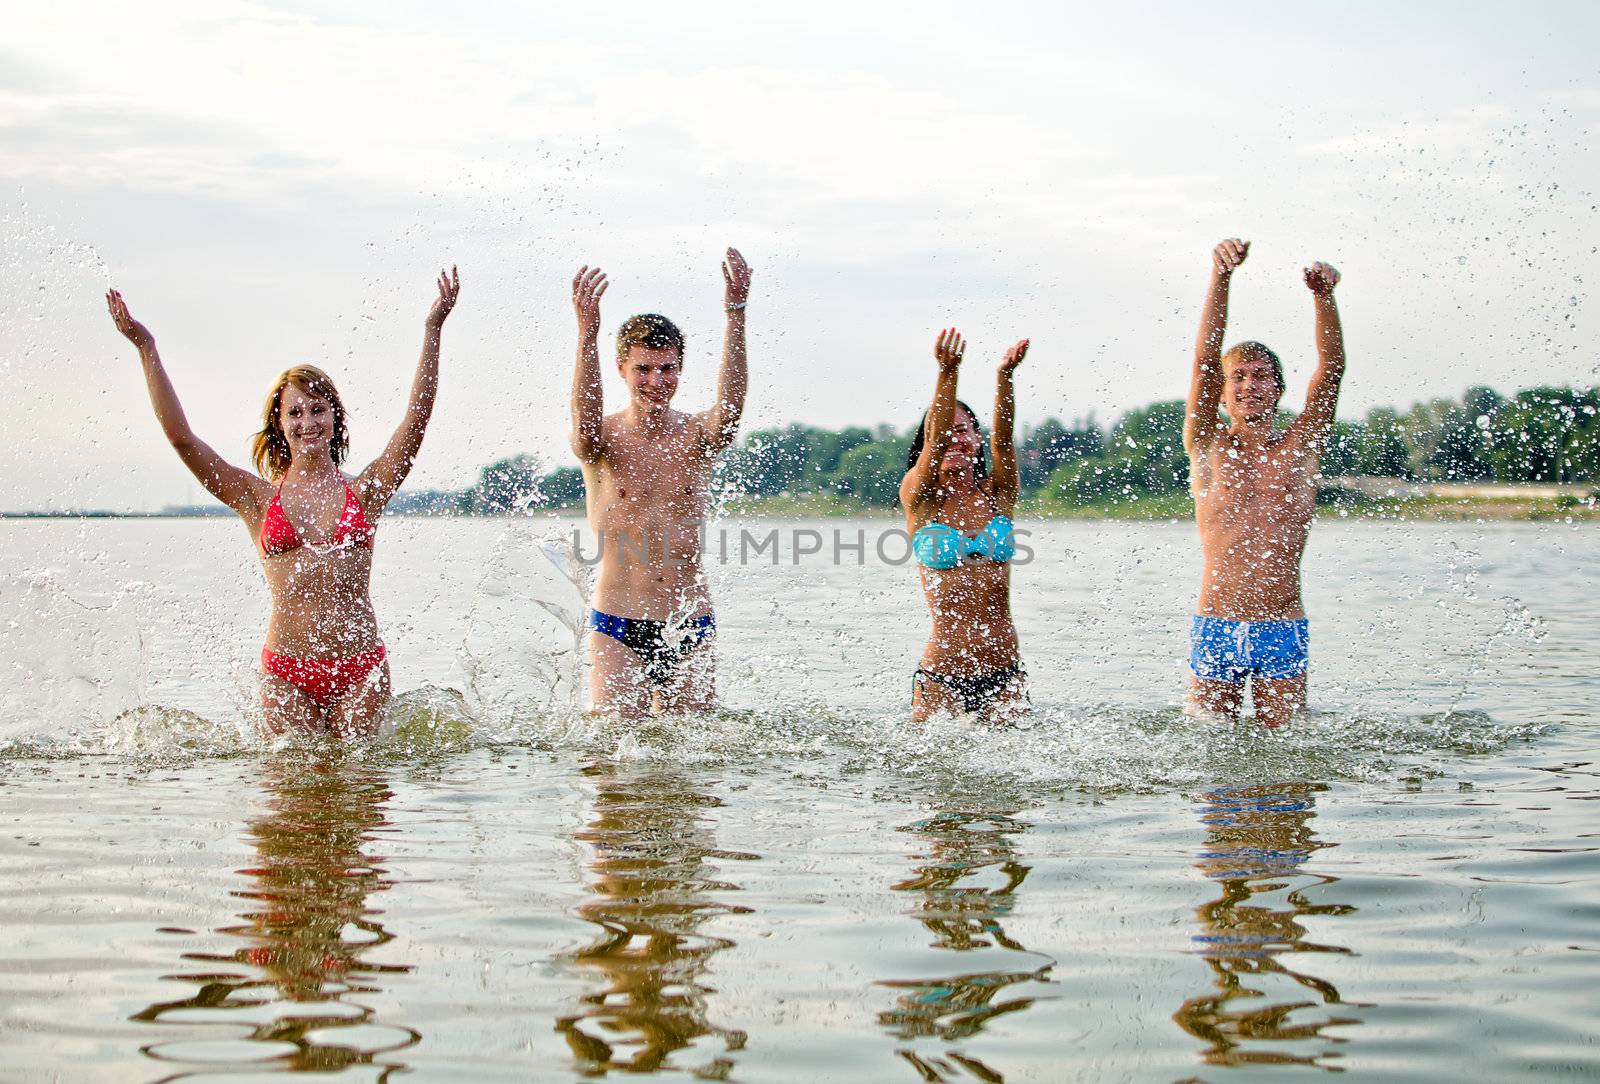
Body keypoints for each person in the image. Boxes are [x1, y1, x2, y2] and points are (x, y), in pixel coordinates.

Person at [106, 268, 461, 738]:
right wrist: (145, 347)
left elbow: (414, 424)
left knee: (363, 799)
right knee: (287, 805)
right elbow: (182, 439)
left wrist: (432, 329)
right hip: (286, 673)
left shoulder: (367, 490)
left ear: (335, 419)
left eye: (318, 409)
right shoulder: (256, 498)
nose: (307, 421)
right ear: (279, 424)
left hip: (361, 671)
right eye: (295, 412)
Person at [568, 249, 752, 717]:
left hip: (688, 621)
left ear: (679, 368)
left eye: (667, 368)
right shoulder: (603, 439)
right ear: (622, 370)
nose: (656, 380)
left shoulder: (697, 436)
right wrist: (587, 334)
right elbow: (583, 420)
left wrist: (736, 314)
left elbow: (730, 409)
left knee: (690, 771)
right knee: (612, 760)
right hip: (617, 623)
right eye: (644, 369)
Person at [1183, 238, 1345, 727]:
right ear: (1225, 392)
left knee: (1285, 764)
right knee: (1211, 762)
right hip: (1216, 622)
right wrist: (1221, 275)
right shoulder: (1208, 447)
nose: (1249, 385)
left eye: (1260, 377)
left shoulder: (1300, 448)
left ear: (1278, 389)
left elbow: (1331, 371)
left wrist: (1323, 297)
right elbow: (1205, 360)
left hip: (1282, 626)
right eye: (1239, 378)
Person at [900, 328, 1031, 723]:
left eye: (965, 430)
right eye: (948, 431)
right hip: (941, 674)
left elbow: (1005, 444)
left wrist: (1005, 377)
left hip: (1004, 673)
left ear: (977, 439)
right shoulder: (921, 501)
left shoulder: (998, 495)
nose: (956, 439)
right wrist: (947, 372)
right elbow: (935, 440)